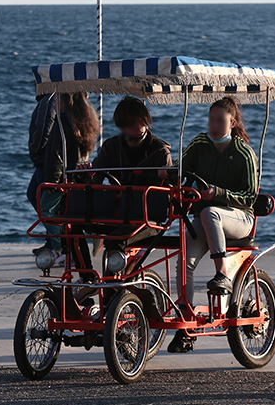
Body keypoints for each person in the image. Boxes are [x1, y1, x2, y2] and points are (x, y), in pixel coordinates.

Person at [168, 96, 258, 353]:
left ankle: (223, 274)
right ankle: (186, 321)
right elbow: (179, 167)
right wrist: (167, 172)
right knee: (185, 257)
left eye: (220, 120)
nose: (214, 125)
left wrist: (217, 192)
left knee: (209, 214)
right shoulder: (199, 144)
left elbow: (250, 197)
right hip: (209, 217)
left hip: (240, 218)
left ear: (232, 122)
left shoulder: (243, 153)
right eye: (211, 119)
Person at [82, 96, 173, 260]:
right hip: (116, 213)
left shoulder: (160, 151)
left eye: (142, 121)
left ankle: (114, 284)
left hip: (147, 219)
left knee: (116, 240)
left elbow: (167, 195)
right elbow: (93, 181)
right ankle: (86, 276)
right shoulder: (111, 146)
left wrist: (165, 178)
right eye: (132, 123)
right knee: (71, 226)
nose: (139, 126)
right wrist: (84, 175)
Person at [36, 92, 100, 258]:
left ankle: (65, 247)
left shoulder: (63, 121)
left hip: (63, 177)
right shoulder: (86, 119)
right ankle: (90, 235)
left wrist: (52, 180)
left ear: (65, 101)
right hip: (78, 175)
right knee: (72, 214)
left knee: (46, 212)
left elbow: (56, 153)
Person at [27, 93, 57, 210]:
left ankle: (54, 227)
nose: (34, 83)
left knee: (41, 200)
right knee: (35, 195)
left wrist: (35, 150)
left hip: (45, 159)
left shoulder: (49, 101)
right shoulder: (50, 100)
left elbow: (44, 130)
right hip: (46, 158)